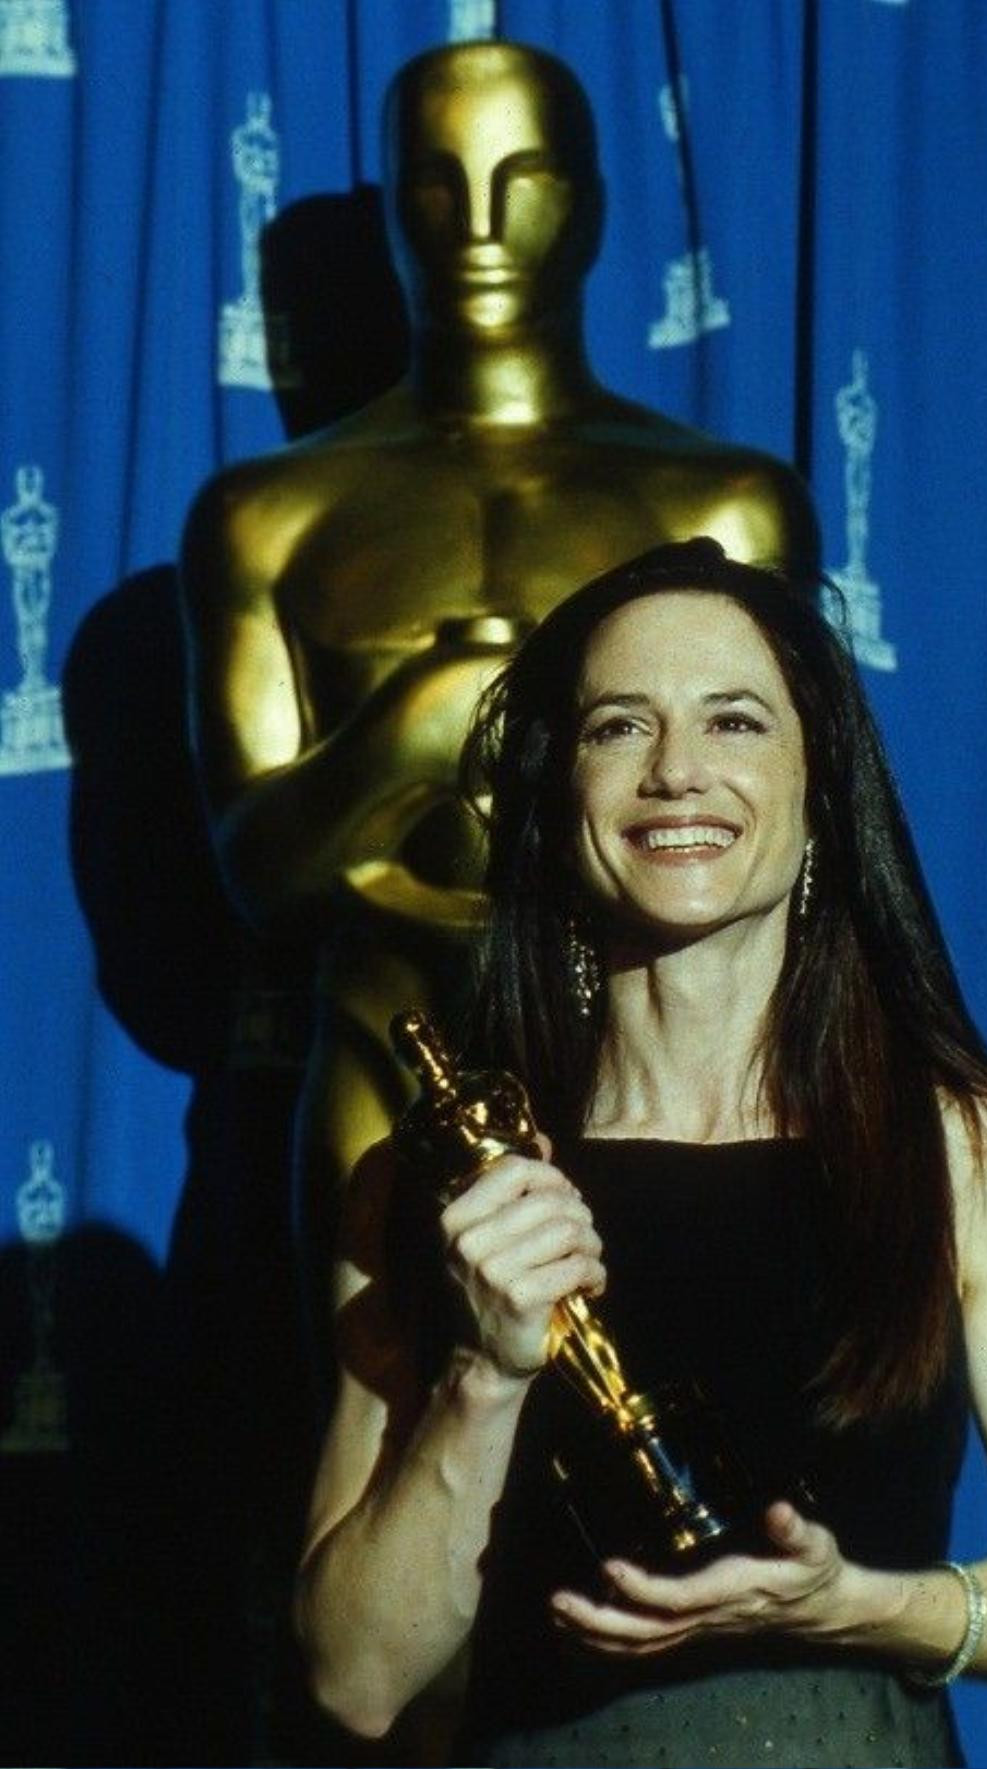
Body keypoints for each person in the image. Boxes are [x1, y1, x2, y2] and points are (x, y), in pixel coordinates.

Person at [293, 539, 987, 1769]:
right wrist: (485, 1375)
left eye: (735, 722)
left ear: (820, 786)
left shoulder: (967, 1152)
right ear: (559, 792)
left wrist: (862, 1606)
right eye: (618, 728)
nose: (677, 773)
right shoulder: (432, 1187)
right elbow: (356, 1677)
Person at [178, 40, 815, 1305]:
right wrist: (414, 726)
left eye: (519, 177)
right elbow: (264, 879)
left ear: (585, 202)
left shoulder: (726, 502)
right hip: (385, 1050)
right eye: (433, 182)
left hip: (664, 1061)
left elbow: (792, 833)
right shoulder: (272, 514)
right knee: (384, 1465)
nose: (474, 226)